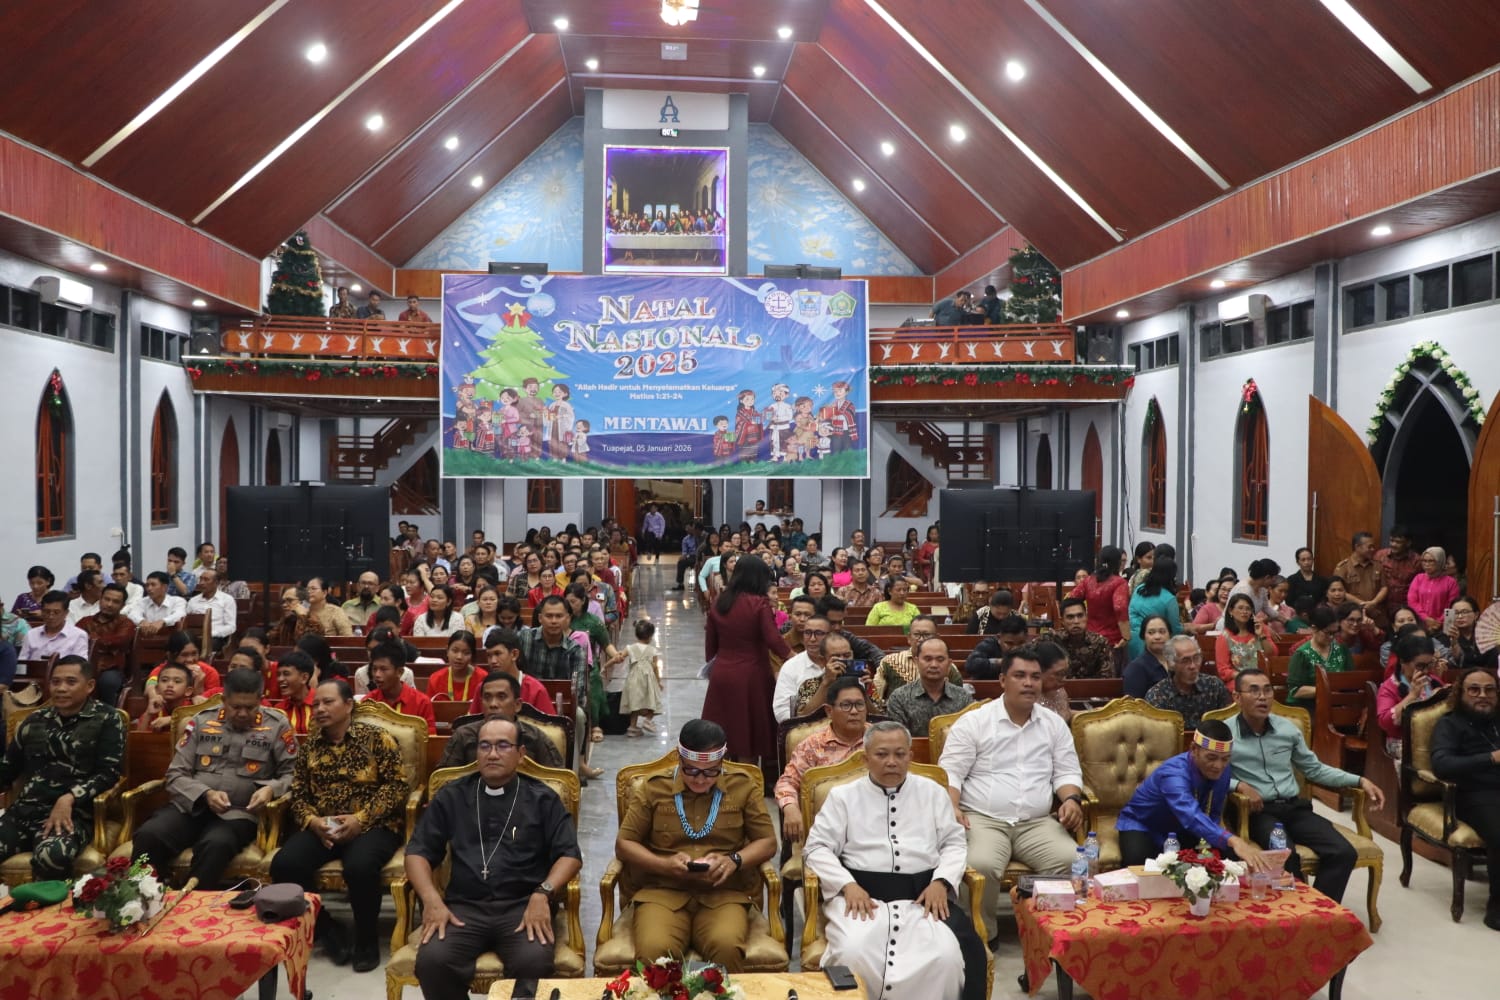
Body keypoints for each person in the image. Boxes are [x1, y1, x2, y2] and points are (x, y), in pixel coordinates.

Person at [804, 721, 987, 1000]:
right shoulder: (843, 797)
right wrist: (846, 885)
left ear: (910, 756)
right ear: (866, 758)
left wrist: (941, 882)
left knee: (946, 956)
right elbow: (817, 847)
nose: (892, 762)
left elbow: (954, 843)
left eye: (900, 754)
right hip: (862, 899)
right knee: (853, 951)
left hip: (923, 898)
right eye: (882, 754)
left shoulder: (933, 793)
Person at [407, 716, 582, 997]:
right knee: (433, 961)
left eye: (502, 746)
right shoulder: (452, 795)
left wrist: (543, 893)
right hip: (464, 907)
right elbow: (417, 852)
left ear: (520, 754)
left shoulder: (542, 798)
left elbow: (570, 854)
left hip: (522, 907)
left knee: (533, 961)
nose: (492, 754)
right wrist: (431, 899)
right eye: (485, 746)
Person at [614, 719, 778, 970]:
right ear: (679, 758)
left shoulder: (742, 785)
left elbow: (767, 842)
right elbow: (624, 844)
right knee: (653, 951)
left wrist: (734, 861)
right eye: (691, 771)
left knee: (726, 947)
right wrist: (663, 865)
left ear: (722, 761)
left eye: (711, 772)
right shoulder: (654, 787)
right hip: (663, 892)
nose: (700, 780)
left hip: (723, 893)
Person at [939, 648, 1083, 928]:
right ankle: (982, 936)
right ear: (1003, 680)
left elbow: (1066, 771)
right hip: (984, 819)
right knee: (979, 865)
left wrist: (1071, 800)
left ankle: (1049, 931)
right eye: (1020, 676)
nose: (1028, 683)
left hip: (1037, 822)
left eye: (1035, 677)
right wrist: (952, 806)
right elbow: (951, 773)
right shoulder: (975, 722)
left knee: (1072, 860)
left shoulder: (1053, 724)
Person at [270, 679, 408, 971]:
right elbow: (298, 795)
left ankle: (366, 939)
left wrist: (361, 819)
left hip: (373, 825)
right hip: (324, 826)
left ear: (348, 705)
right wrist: (313, 822)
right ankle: (327, 929)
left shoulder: (377, 738)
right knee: (284, 865)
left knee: (360, 866)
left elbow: (397, 787)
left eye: (328, 702)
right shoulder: (310, 747)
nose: (320, 709)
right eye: (316, 704)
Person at [1226, 668, 1385, 903]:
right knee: (1286, 856)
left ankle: (1319, 909)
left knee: (1343, 852)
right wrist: (1239, 785)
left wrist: (1359, 780)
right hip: (1258, 812)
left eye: (1267, 690)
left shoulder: (1287, 729)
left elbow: (1315, 769)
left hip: (1294, 808)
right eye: (1254, 691)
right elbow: (1208, 773)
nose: (1263, 697)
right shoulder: (1226, 733)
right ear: (1237, 697)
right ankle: (1298, 913)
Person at [130, 668, 296, 887]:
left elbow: (292, 774)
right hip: (191, 806)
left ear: (260, 700)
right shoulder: (201, 721)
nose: (243, 713)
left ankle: (192, 900)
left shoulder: (277, 725)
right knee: (150, 834)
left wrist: (271, 789)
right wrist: (205, 794)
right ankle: (143, 895)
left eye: (250, 707)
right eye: (236, 707)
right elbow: (175, 773)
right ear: (224, 700)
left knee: (216, 844)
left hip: (238, 813)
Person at [0, 657, 126, 881]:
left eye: (70, 682)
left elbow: (109, 773)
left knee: (52, 856)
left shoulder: (106, 719)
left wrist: (70, 797)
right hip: (25, 812)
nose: (61, 688)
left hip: (73, 815)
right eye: (55, 682)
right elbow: (7, 769)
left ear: (89, 686)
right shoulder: (35, 720)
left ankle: (47, 903)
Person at [1116, 720, 1273, 870]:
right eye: (1211, 757)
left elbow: (1213, 814)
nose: (1218, 766)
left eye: (1225, 759)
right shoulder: (1174, 773)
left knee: (1230, 859)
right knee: (1140, 868)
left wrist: (1220, 842)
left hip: (1185, 829)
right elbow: (1190, 815)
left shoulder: (1223, 771)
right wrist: (1232, 839)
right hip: (1144, 825)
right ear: (1194, 749)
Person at [1430, 666, 1500, 931]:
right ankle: (1496, 908)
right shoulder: (1449, 723)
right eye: (1474, 690)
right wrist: (1490, 758)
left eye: (1489, 690)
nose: (1483, 695)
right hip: (1474, 794)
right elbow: (1442, 765)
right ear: (1461, 693)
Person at [703, 557, 791, 763]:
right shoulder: (759, 604)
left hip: (722, 673)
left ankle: (724, 778)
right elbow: (773, 640)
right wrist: (795, 658)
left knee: (722, 734)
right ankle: (746, 780)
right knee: (748, 738)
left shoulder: (720, 602)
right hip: (752, 675)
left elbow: (710, 645)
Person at [775, 676, 872, 841]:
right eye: (846, 705)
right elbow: (787, 782)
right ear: (829, 711)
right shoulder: (813, 745)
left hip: (874, 823)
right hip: (827, 828)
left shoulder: (880, 740)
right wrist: (790, 808)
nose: (854, 711)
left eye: (859, 704)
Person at [439, 673, 563, 770]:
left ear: (517, 705)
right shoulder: (463, 736)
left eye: (501, 697)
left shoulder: (536, 738)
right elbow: (443, 781)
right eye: (487, 697)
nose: (493, 704)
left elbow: (557, 782)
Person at [885, 637, 973, 737]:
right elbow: (896, 739)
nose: (934, 665)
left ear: (949, 664)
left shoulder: (963, 698)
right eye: (928, 659)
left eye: (940, 659)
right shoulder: (899, 698)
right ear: (916, 662)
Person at [1376, 634, 1444, 758]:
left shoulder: (1433, 680)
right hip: (1403, 742)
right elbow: (1385, 722)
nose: (1425, 671)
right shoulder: (1389, 687)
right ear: (1402, 662)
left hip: (1435, 738)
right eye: (1420, 666)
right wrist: (1412, 696)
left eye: (1429, 665)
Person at [1144, 635, 1231, 729]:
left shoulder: (1214, 686)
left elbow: (1229, 723)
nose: (1193, 666)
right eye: (1185, 661)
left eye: (1196, 658)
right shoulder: (1157, 695)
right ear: (1171, 664)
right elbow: (1155, 734)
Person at [472, 627, 556, 717]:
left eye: (497, 654)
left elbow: (550, 725)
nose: (493, 661)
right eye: (489, 655)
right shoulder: (482, 688)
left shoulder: (535, 690)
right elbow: (472, 722)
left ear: (514, 654)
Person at [75, 583, 135, 706]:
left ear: (122, 605)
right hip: (84, 665)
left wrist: (93, 641)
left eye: (115, 602)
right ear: (100, 599)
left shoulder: (126, 623)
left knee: (108, 682)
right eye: (107, 599)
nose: (109, 604)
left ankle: (109, 714)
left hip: (111, 669)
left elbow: (119, 641)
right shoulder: (85, 622)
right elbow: (75, 639)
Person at [1284, 606, 1352, 711]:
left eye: (1334, 633)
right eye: (1328, 633)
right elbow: (1295, 690)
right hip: (1307, 708)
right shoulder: (1302, 654)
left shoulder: (1341, 649)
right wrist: (1324, 690)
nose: (1331, 637)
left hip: (1336, 705)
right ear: (1314, 628)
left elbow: (1350, 679)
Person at [362, 641, 437, 733]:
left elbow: (429, 738)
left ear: (399, 672)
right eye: (374, 669)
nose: (377, 674)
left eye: (383, 669)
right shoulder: (367, 702)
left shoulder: (422, 702)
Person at [1070, 545, 1130, 650]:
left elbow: (1071, 599)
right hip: (1112, 640)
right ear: (1118, 563)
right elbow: (1120, 607)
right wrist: (1126, 636)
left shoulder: (1088, 581)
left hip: (1090, 637)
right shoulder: (1119, 583)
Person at [1127, 557, 1181, 659]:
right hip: (1153, 644)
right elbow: (1175, 629)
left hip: (1131, 640)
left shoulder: (1139, 589)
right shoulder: (1169, 599)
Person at [620, 619, 663, 737]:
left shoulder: (630, 648)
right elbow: (655, 668)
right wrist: (658, 682)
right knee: (653, 701)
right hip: (648, 680)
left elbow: (620, 656)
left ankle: (632, 727)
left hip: (633, 680)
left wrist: (608, 664)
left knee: (635, 704)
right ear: (650, 636)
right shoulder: (652, 650)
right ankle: (648, 720)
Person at [1334, 534, 1387, 628]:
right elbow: (1340, 591)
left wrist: (1374, 603)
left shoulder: (1377, 565)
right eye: (1369, 547)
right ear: (1357, 547)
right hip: (1353, 619)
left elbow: (1384, 587)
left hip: (1376, 616)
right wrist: (1363, 605)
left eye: (1373, 546)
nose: (1373, 549)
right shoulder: (1343, 567)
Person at [20, 590, 89, 661]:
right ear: (42, 611)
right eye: (47, 612)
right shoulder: (31, 634)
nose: (51, 616)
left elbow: (80, 665)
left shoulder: (78, 635)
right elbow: (21, 663)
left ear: (66, 613)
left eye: (56, 612)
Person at [1215, 593, 1268, 683]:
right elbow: (1223, 671)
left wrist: (1261, 635)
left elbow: (1272, 654)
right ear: (1230, 611)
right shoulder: (1224, 638)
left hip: (1261, 679)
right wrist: (1245, 677)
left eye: (1248, 609)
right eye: (1240, 608)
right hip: (1238, 681)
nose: (1245, 611)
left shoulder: (1259, 630)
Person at [137, 661, 204, 731]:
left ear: (188, 691)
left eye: (177, 681)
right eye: (164, 680)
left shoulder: (194, 707)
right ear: (157, 689)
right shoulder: (155, 707)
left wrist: (172, 720)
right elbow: (138, 737)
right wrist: (148, 714)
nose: (170, 685)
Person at [1376, 526, 1422, 624]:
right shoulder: (1380, 556)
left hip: (1405, 608)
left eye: (1398, 542)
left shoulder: (1416, 561)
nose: (1393, 544)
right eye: (1392, 541)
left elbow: (1420, 587)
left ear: (1408, 543)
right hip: (1381, 607)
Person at [426, 631, 487, 705]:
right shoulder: (435, 679)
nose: (459, 657)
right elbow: (430, 708)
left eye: (466, 653)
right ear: (447, 651)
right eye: (455, 651)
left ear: (472, 655)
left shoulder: (483, 678)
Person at [1122, 616, 1174, 699]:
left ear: (1170, 635)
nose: (1157, 637)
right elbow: (1132, 704)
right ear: (1143, 637)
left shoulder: (1177, 661)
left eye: (1162, 632)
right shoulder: (1136, 668)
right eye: (1151, 632)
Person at [963, 614, 1030, 679]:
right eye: (1009, 643)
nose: (1015, 648)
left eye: (1021, 643)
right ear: (999, 638)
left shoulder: (1030, 648)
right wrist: (1001, 662)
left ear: (1027, 638)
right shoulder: (989, 644)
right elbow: (970, 665)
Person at [186, 567, 238, 649]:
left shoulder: (227, 600)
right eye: (200, 579)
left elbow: (231, 626)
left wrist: (211, 633)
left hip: (216, 638)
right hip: (194, 637)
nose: (201, 583)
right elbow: (186, 621)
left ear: (216, 582)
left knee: (208, 644)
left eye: (206, 580)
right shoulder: (193, 601)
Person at [1408, 547, 1460, 629]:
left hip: (1444, 626)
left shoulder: (1450, 582)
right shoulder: (1418, 578)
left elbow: (1452, 606)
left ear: (1440, 561)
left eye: (1431, 561)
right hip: (1420, 624)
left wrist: (1439, 622)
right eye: (1424, 561)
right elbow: (1412, 602)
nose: (1427, 564)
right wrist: (1426, 618)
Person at [275, 649, 317, 734]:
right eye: (278, 675)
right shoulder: (279, 710)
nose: (280, 679)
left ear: (304, 678)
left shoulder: (321, 704)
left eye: (286, 674)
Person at [1285, 547, 1328, 612]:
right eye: (1303, 560)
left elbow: (1324, 599)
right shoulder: (1291, 580)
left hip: (1318, 613)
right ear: (1298, 562)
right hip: (1298, 613)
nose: (1307, 562)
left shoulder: (1322, 580)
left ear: (1313, 560)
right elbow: (1289, 601)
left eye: (1309, 559)